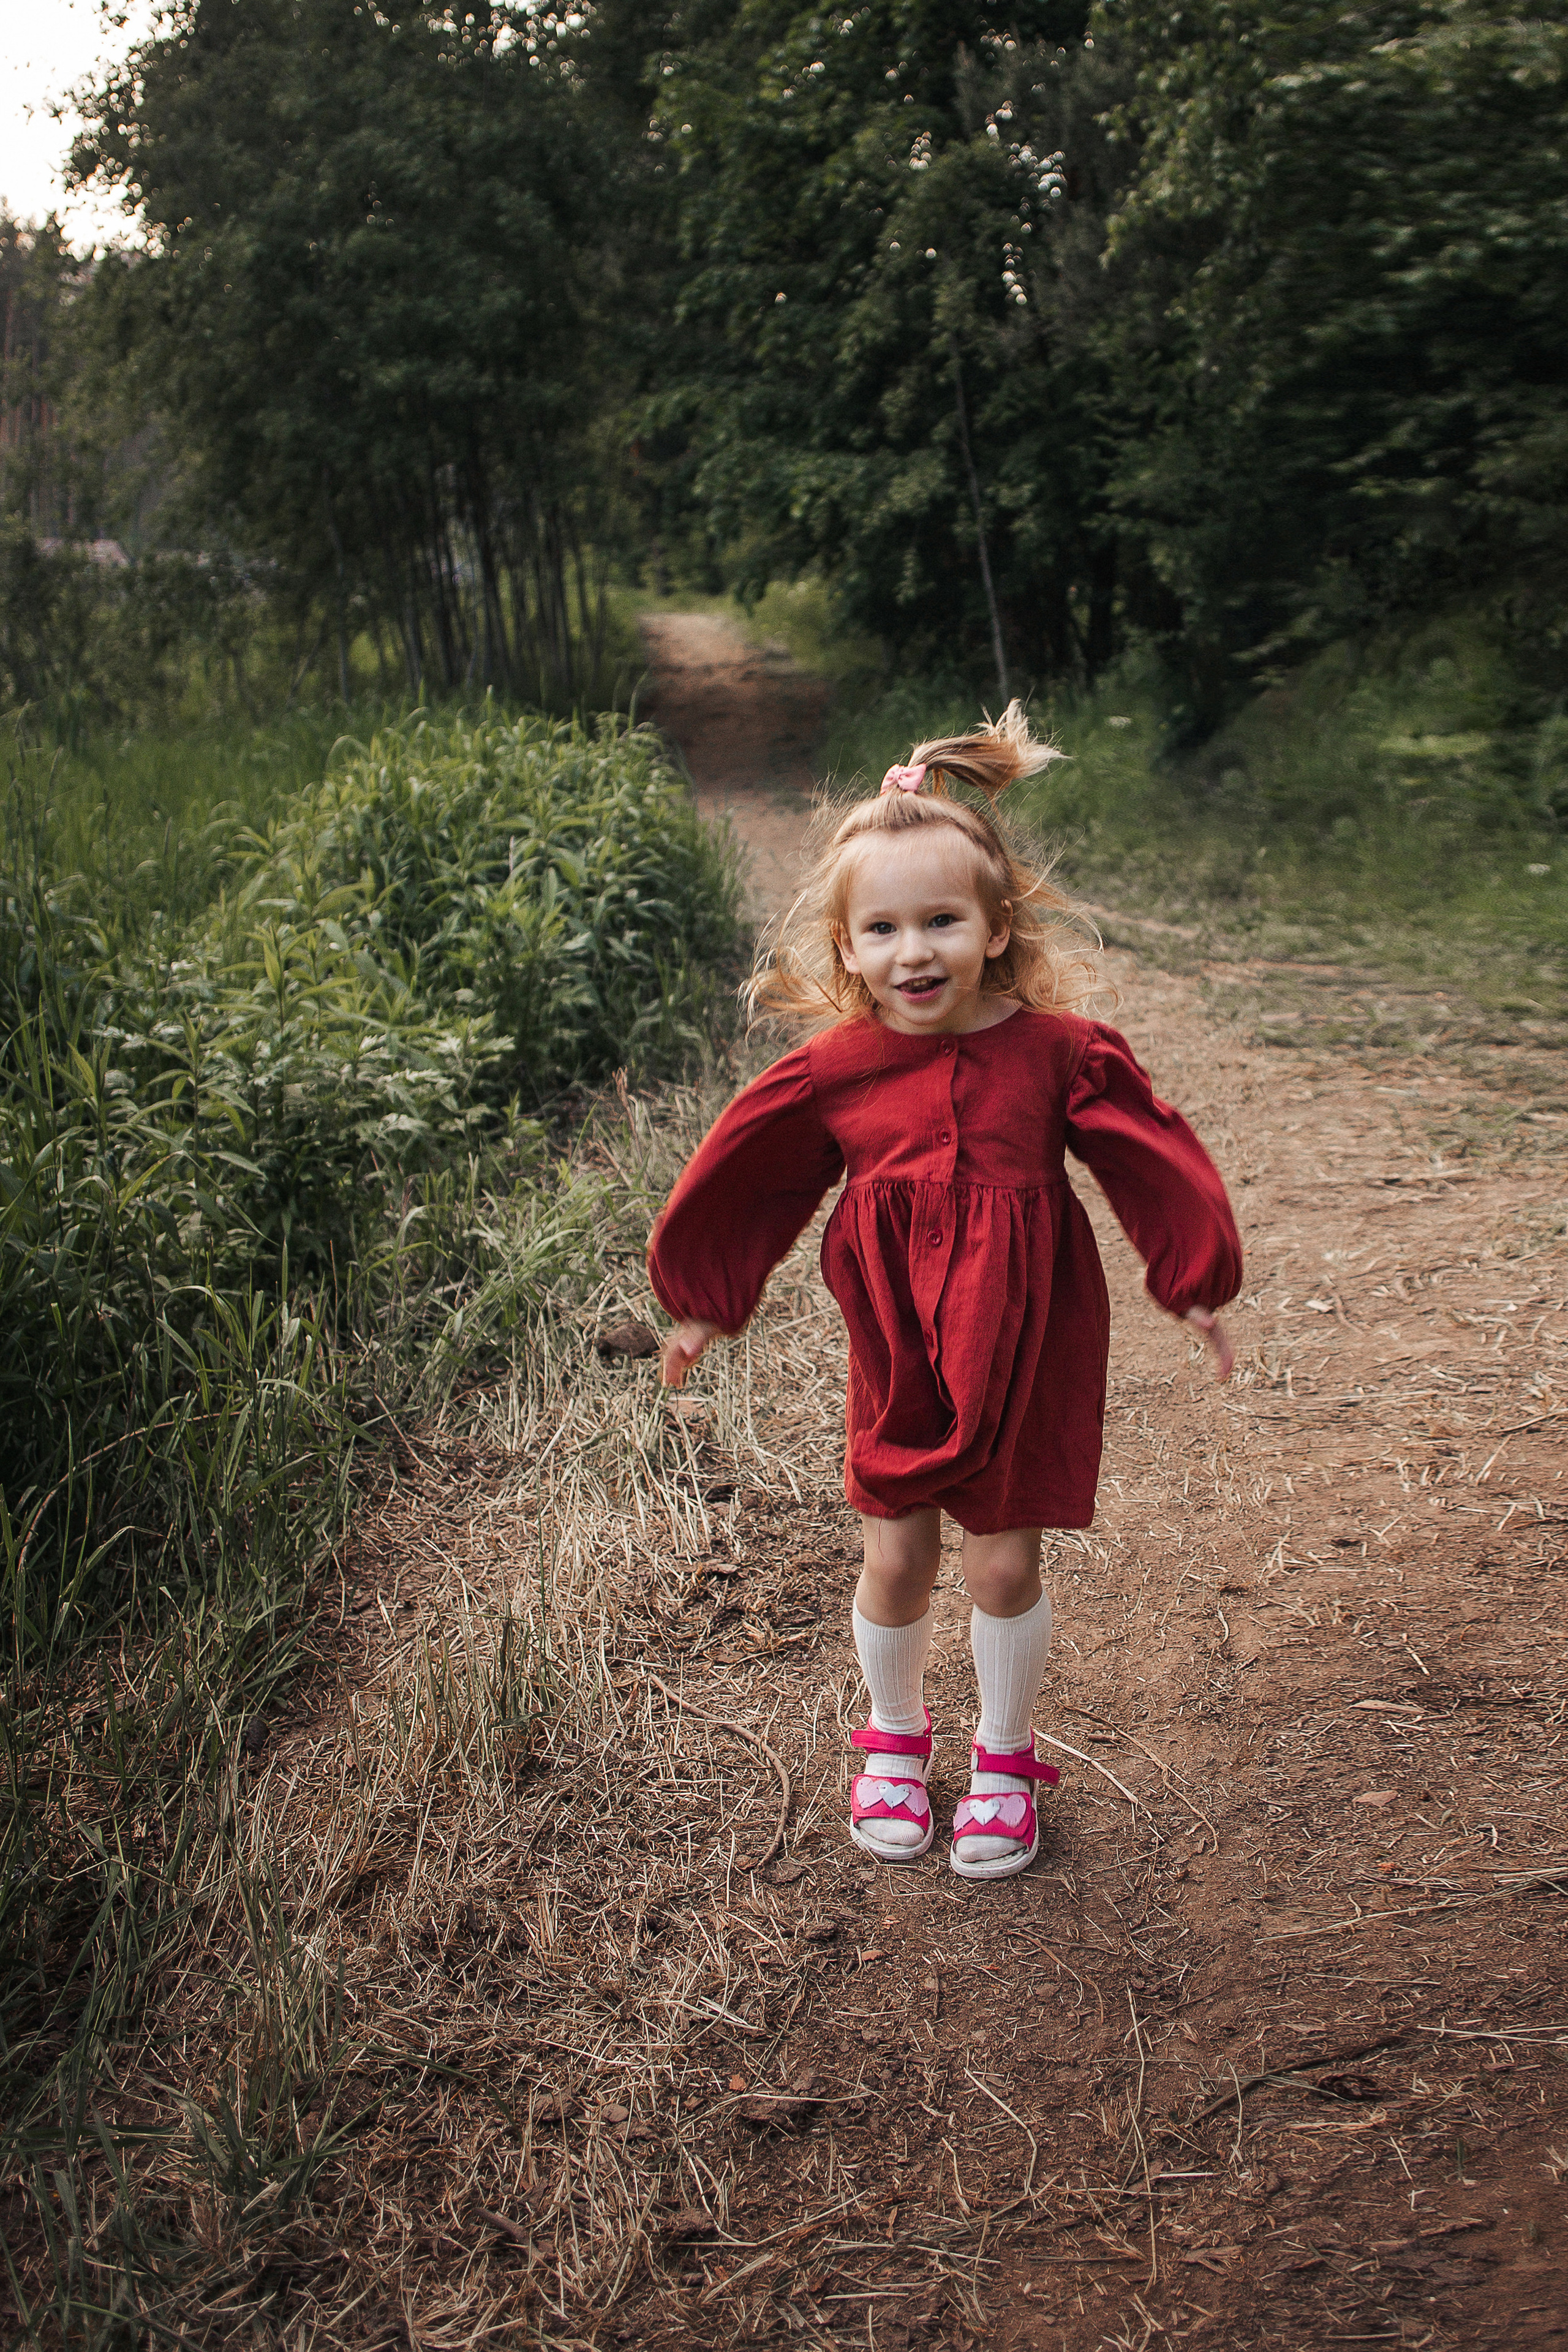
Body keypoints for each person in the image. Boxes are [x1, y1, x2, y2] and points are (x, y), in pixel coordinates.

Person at [647, 704, 1241, 1880]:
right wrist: (708, 1297)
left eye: (941, 922)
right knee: (900, 1552)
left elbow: (1145, 1156)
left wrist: (1195, 1277)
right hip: (901, 1345)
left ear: (995, 924)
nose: (914, 951)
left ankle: (1008, 1760)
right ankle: (895, 1743)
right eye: (885, 929)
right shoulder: (834, 1070)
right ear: (848, 946)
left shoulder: (1060, 1052)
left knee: (1003, 1563)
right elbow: (748, 1179)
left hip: (1024, 1334)